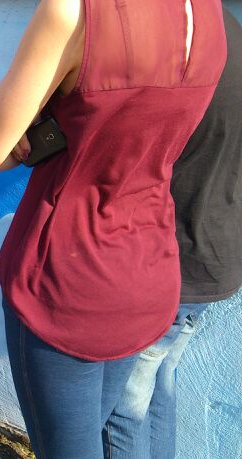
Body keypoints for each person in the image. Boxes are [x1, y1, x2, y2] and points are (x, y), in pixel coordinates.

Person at [0, 0, 226, 457]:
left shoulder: (71, 12)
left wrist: (43, 121)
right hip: (148, 266)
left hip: (66, 280)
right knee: (107, 426)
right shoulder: (207, 12)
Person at [104, 9, 242, 458]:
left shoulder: (175, 43)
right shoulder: (227, 28)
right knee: (157, 384)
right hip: (213, 257)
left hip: (173, 261)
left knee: (124, 408)